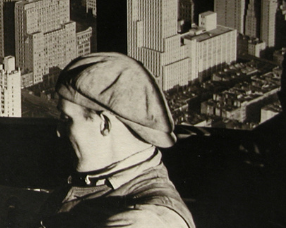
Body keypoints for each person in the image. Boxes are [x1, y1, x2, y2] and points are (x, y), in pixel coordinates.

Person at [32, 52, 195, 228]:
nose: (59, 132)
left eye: (67, 119)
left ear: (105, 124)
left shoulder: (148, 218)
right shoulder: (97, 178)